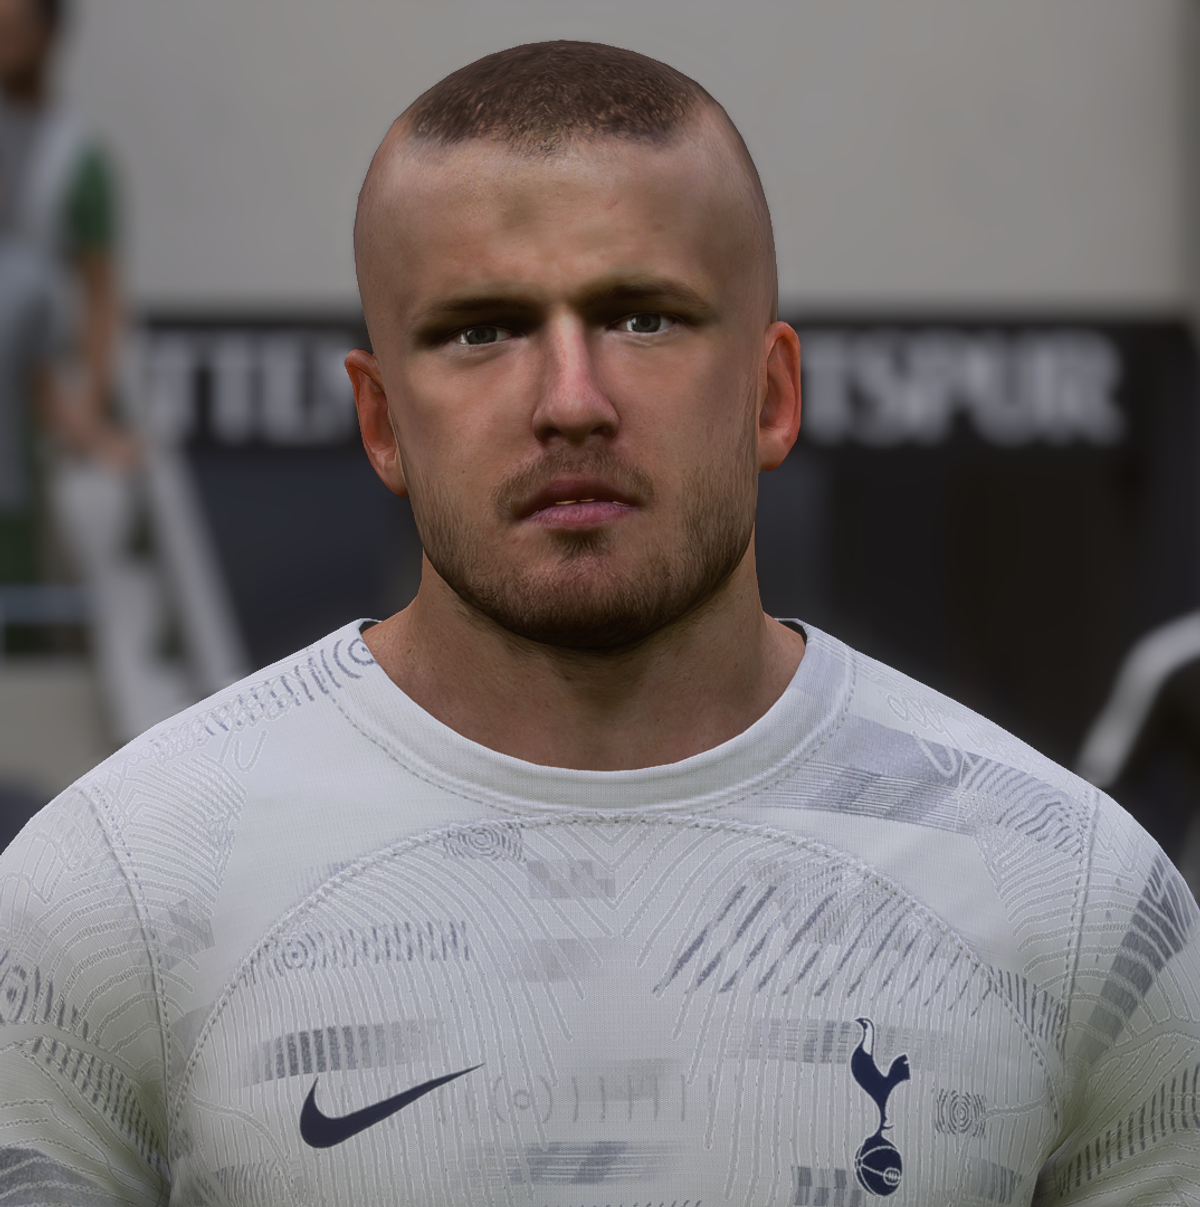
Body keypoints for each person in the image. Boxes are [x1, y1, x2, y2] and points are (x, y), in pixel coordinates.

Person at [1, 40, 1198, 1207]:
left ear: (773, 393)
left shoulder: (1072, 896)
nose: (571, 401)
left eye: (642, 317)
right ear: (380, 423)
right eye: (480, 329)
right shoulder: (111, 890)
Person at [0, 0, 130, 592]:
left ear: (48, 37)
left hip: (38, 387)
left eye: (13, 28)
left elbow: (99, 290)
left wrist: (90, 402)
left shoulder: (75, 157)